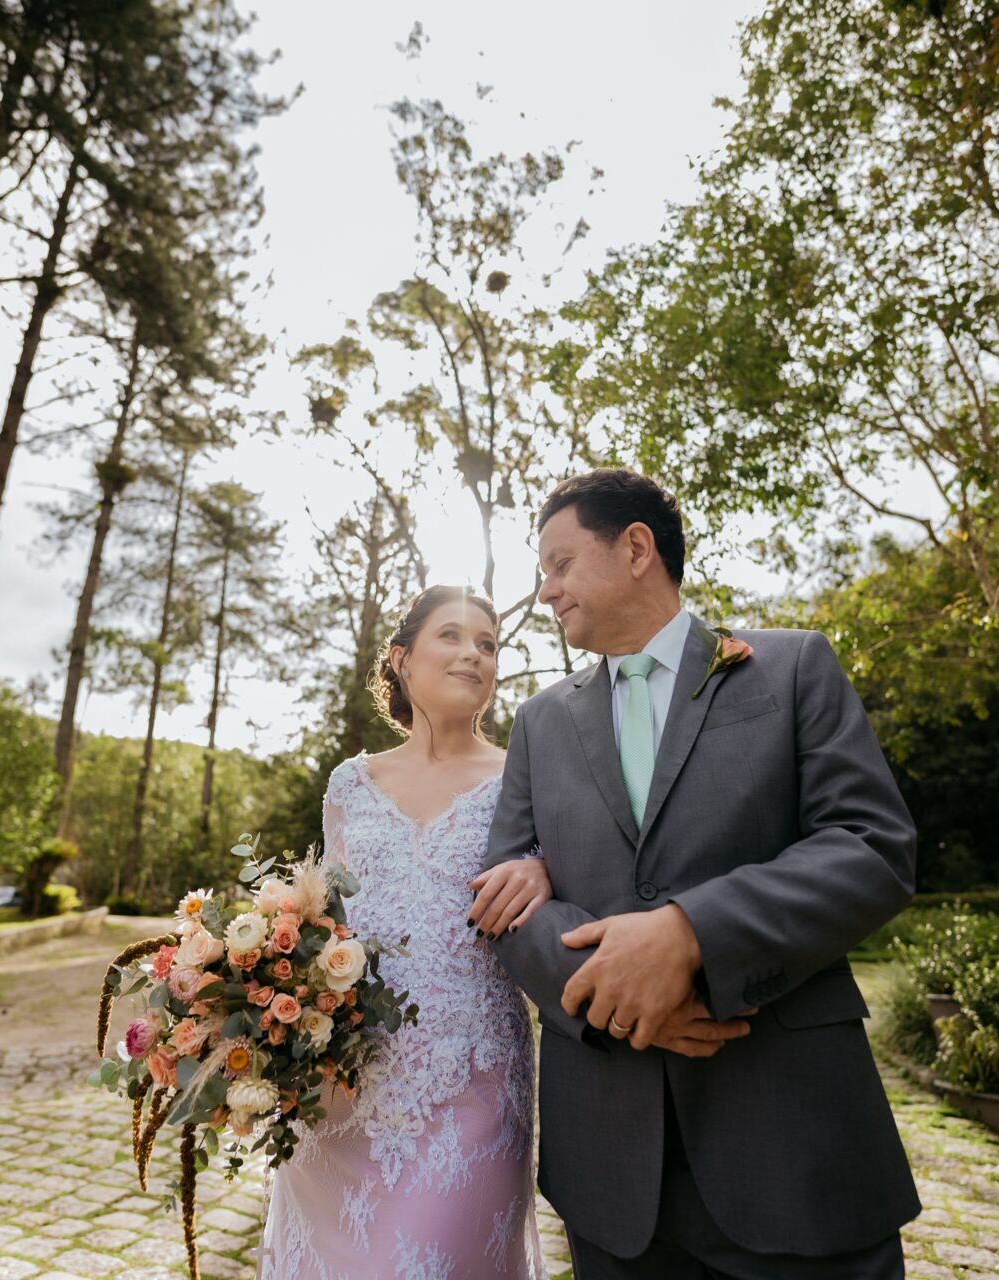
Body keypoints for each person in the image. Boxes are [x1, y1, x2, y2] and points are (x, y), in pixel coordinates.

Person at [476, 468, 921, 1279]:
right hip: (609, 1167)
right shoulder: (539, 722)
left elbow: (870, 846)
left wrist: (690, 935)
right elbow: (503, 893)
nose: (546, 592)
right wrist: (612, 992)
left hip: (793, 1143)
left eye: (560, 564)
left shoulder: (792, 667)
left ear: (636, 548)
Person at [258, 584, 555, 1279]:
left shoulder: (525, 776)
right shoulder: (349, 784)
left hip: (472, 1081)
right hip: (344, 1086)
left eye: (487, 644)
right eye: (451, 635)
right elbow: (324, 925)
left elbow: (573, 879)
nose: (473, 653)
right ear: (401, 658)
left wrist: (544, 875)